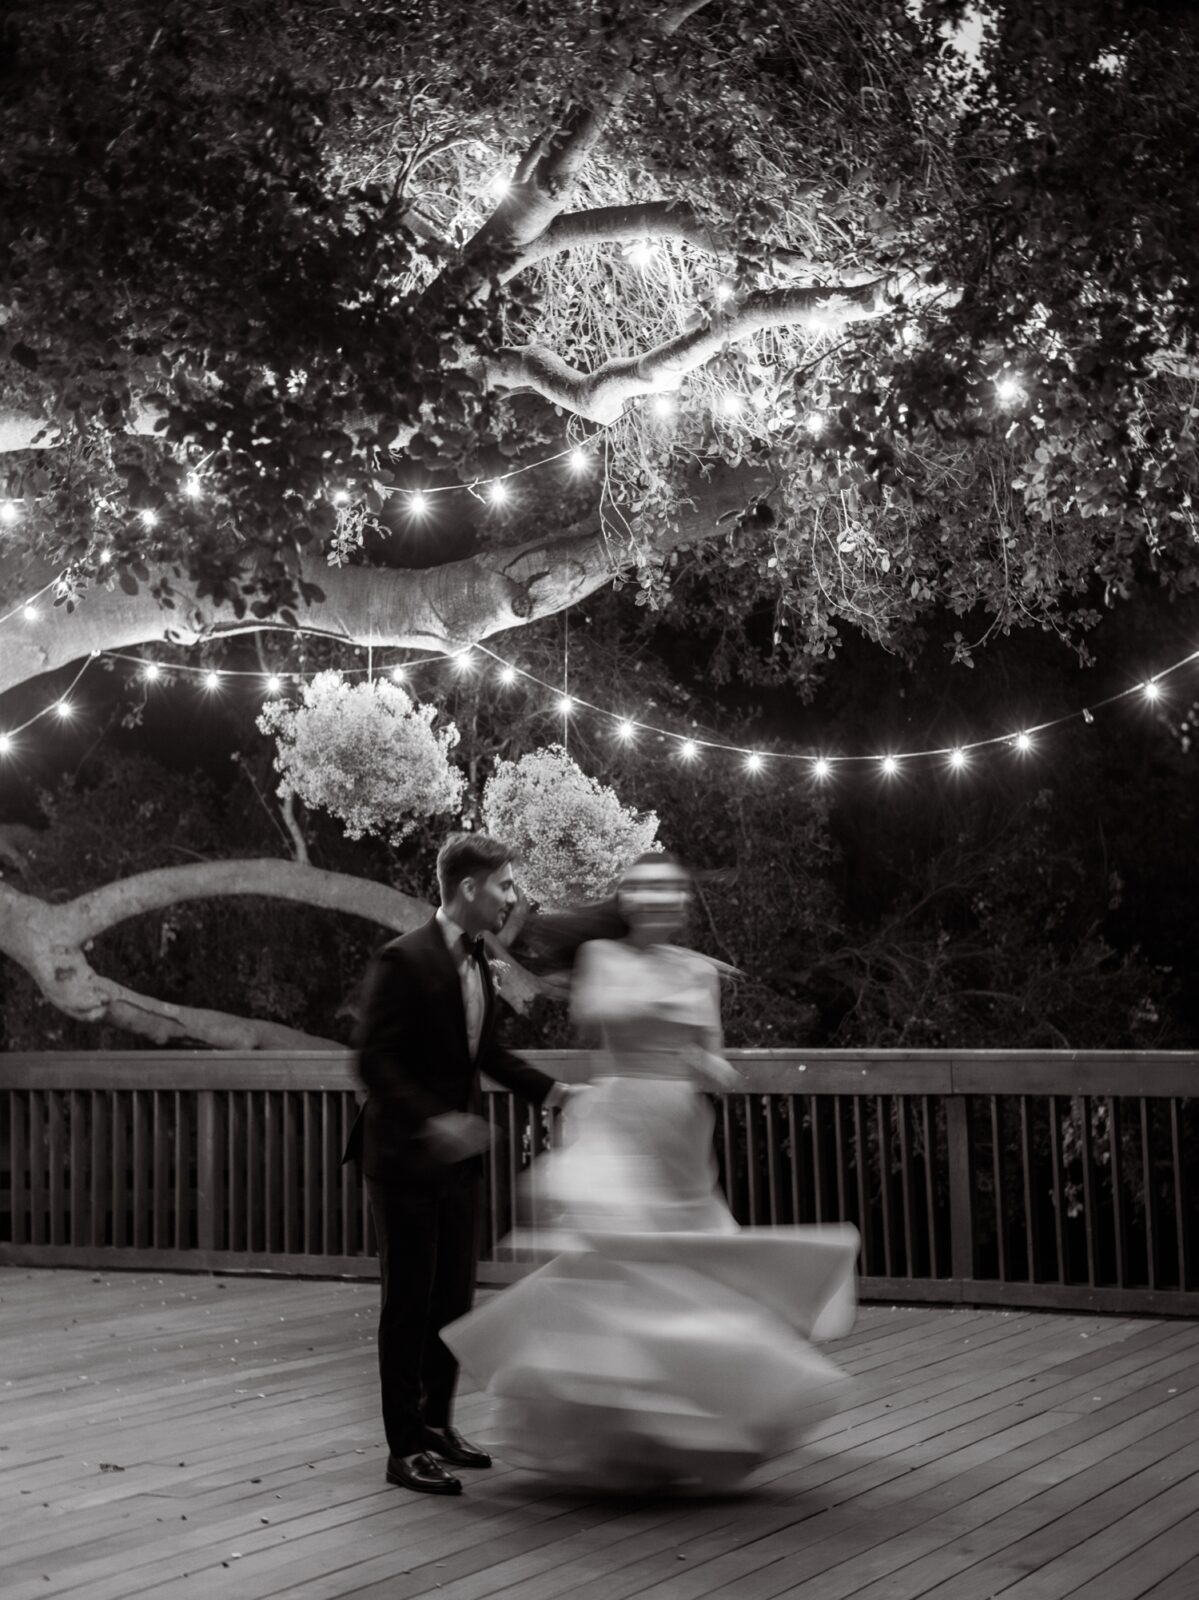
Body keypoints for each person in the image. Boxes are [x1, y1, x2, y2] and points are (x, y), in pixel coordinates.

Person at [444, 852, 859, 1494]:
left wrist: (710, 1067)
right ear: (627, 900)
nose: (655, 900)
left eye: (668, 891)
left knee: (685, 1271)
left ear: (683, 904)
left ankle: (681, 1424)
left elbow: (710, 1050)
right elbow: (580, 1008)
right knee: (615, 1259)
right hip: (614, 1122)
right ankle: (612, 1418)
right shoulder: (599, 960)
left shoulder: (701, 974)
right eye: (642, 889)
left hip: (679, 1130)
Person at [343, 832, 569, 1497]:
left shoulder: (478, 963)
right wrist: (434, 1121)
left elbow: (487, 1055)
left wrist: (553, 1093)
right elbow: (371, 1060)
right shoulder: (402, 959)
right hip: (403, 1159)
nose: (510, 897)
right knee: (407, 1305)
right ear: (468, 889)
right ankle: (403, 1448)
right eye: (502, 884)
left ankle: (438, 1427)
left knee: (451, 1302)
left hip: (458, 1164)